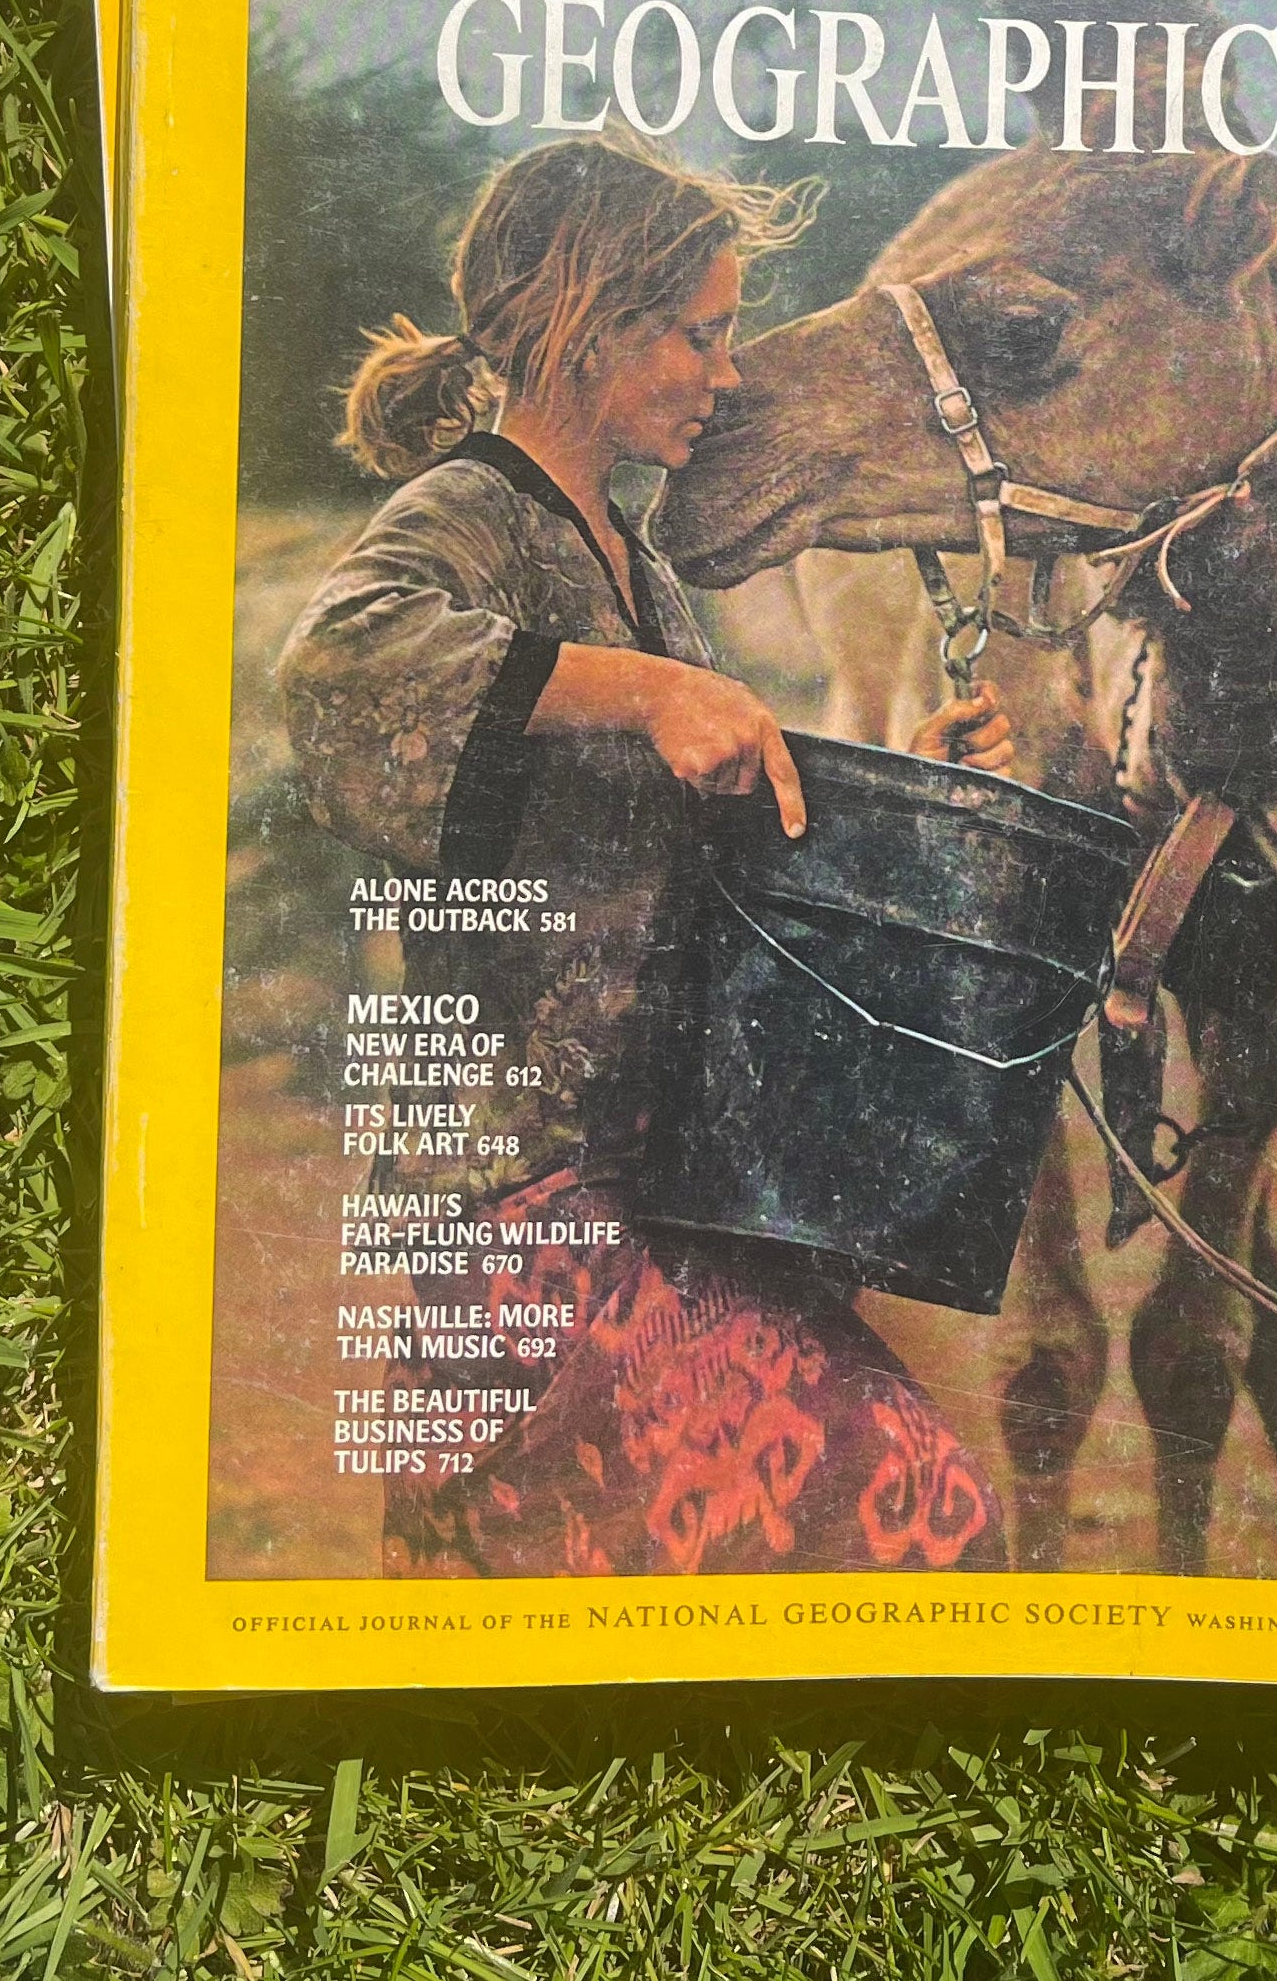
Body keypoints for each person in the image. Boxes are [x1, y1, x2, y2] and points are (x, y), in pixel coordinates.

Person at [279, 136, 1010, 1579]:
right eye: (699, 334)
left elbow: (684, 837)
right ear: (586, 326)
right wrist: (648, 688)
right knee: (904, 1511)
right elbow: (338, 664)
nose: (726, 376)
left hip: (653, 1182)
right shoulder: (465, 515)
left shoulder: (634, 557)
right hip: (522, 1202)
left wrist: (909, 778)